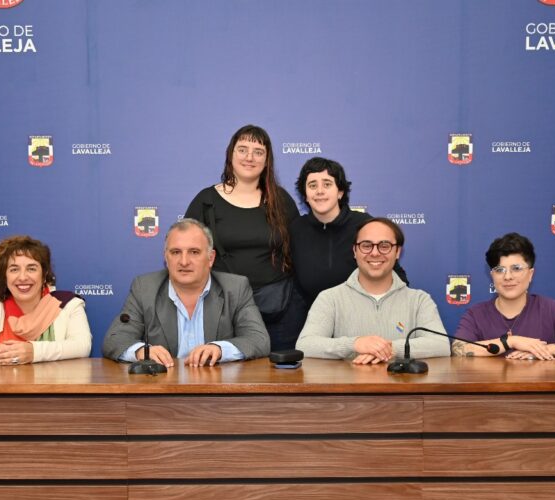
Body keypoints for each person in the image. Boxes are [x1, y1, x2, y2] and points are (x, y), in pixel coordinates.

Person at [183, 124, 302, 350]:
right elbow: (185, 252)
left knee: (279, 379)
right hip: (221, 308)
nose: (250, 157)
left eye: (258, 152)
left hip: (278, 309)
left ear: (267, 161)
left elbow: (298, 249)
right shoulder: (206, 201)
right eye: (242, 149)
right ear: (231, 154)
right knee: (224, 377)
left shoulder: (282, 200)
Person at [102, 218, 270, 367]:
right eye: (176, 252)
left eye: (194, 252)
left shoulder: (235, 288)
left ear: (210, 258)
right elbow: (114, 339)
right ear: (166, 258)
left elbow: (258, 339)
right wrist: (141, 352)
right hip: (162, 390)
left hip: (217, 391)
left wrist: (219, 349)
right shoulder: (145, 288)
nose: (184, 261)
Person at [296, 218, 449, 363]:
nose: (375, 253)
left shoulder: (419, 300)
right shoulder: (330, 298)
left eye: (384, 246)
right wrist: (354, 344)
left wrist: (389, 349)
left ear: (397, 252)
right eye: (366, 245)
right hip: (347, 389)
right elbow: (305, 345)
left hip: (402, 387)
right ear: (355, 251)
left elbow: (441, 345)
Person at [452, 232, 555, 359]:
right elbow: (458, 349)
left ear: (530, 274)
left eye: (516, 268)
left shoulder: (548, 308)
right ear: (492, 275)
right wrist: (510, 341)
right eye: (500, 270)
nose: (508, 277)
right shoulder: (476, 314)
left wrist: (544, 349)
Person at [0, 235, 92, 365]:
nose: (23, 277)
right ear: (4, 276)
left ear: (44, 275)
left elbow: (82, 345)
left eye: (31, 269)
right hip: (1, 389)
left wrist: (34, 352)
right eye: (14, 269)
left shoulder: (68, 304)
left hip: (50, 389)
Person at [290, 157, 408, 307]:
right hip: (314, 318)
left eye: (327, 184)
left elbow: (396, 275)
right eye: (312, 185)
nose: (320, 191)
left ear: (340, 192)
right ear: (305, 195)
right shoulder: (296, 229)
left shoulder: (364, 225)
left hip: (362, 314)